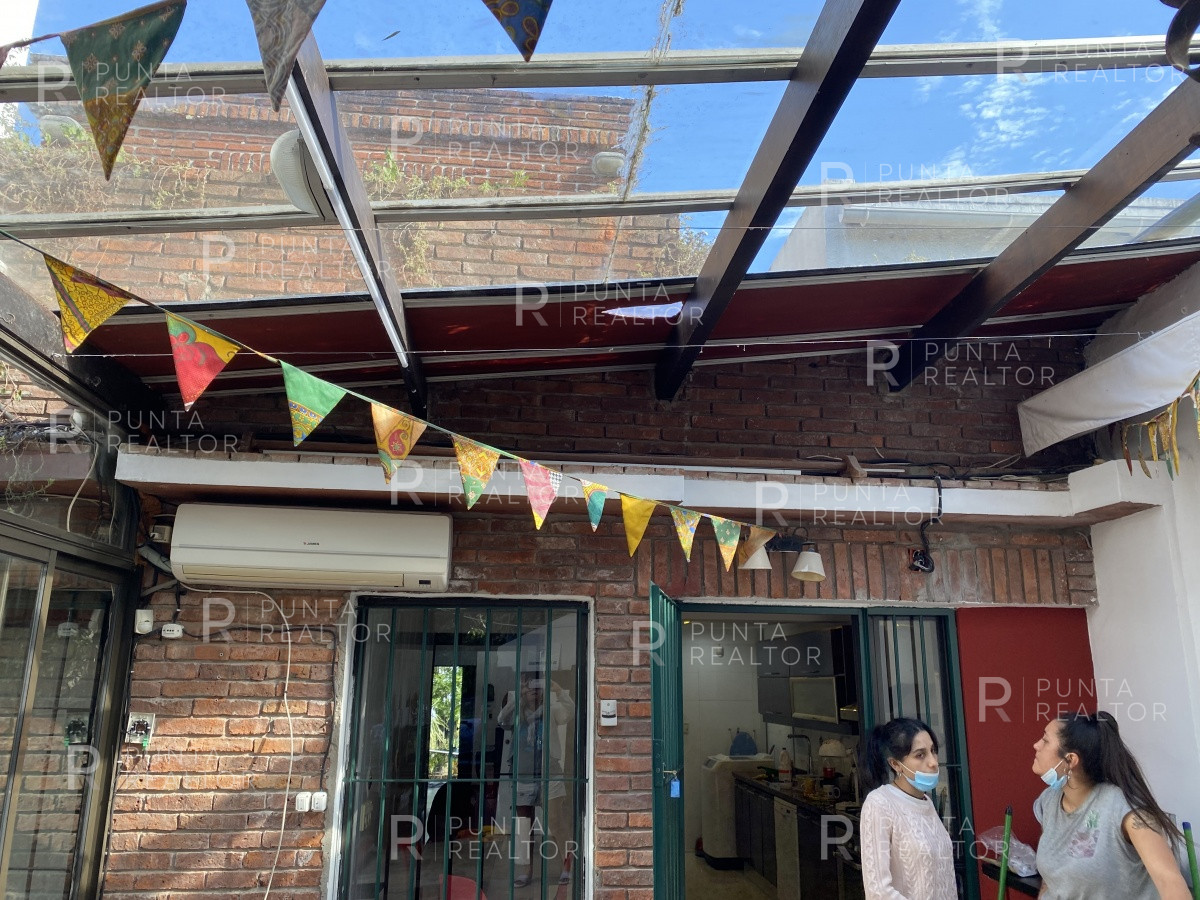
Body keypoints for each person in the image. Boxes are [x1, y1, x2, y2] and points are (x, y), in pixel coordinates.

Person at [1032, 711, 1189, 899]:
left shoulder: (1127, 811)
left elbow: (1169, 881)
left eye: (1045, 740)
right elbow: (1051, 879)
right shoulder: (1048, 801)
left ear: (1071, 760)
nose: (1036, 745)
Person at [858, 717, 957, 900]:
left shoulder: (926, 802)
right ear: (895, 764)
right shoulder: (879, 803)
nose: (933, 762)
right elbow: (878, 891)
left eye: (933, 751)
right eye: (920, 755)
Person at [497, 674, 576, 888]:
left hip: (550, 773)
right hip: (522, 774)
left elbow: (569, 712)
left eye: (538, 686)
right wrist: (518, 697)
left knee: (555, 821)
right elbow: (502, 720)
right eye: (529, 686)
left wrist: (558, 690)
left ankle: (567, 866)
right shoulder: (517, 712)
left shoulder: (550, 710)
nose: (534, 690)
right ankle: (526, 870)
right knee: (524, 826)